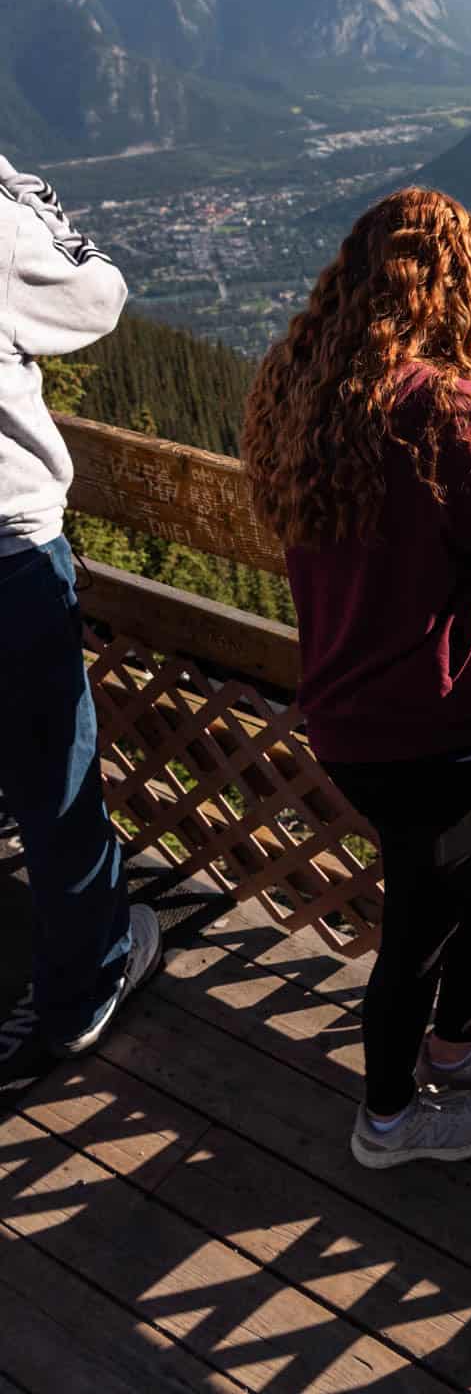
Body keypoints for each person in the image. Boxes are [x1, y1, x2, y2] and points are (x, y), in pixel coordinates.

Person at [242, 185, 471, 1170]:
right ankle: (389, 1121)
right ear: (449, 291)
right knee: (417, 936)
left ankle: (455, 1044)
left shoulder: (304, 393)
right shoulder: (434, 403)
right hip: (426, 726)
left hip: (347, 718)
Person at [0, 154, 161, 1056]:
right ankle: (83, 986)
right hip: (8, 555)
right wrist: (22, 189)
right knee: (55, 788)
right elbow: (97, 296)